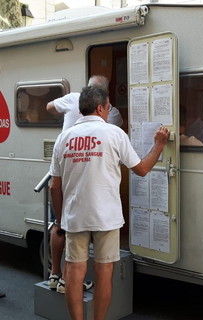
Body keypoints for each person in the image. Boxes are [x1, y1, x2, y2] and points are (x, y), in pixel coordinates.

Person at [49, 86, 169, 320]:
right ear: (100, 107)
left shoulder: (63, 138)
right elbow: (142, 169)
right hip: (106, 216)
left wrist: (60, 220)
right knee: (104, 273)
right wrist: (159, 144)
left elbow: (55, 186)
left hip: (75, 216)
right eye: (108, 107)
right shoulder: (114, 134)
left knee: (74, 271)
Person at [46, 75, 123, 294]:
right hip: (93, 182)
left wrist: (62, 112)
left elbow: (49, 105)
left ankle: (55, 275)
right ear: (105, 98)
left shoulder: (72, 99)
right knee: (84, 237)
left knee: (60, 224)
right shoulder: (112, 114)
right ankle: (68, 281)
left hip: (66, 172)